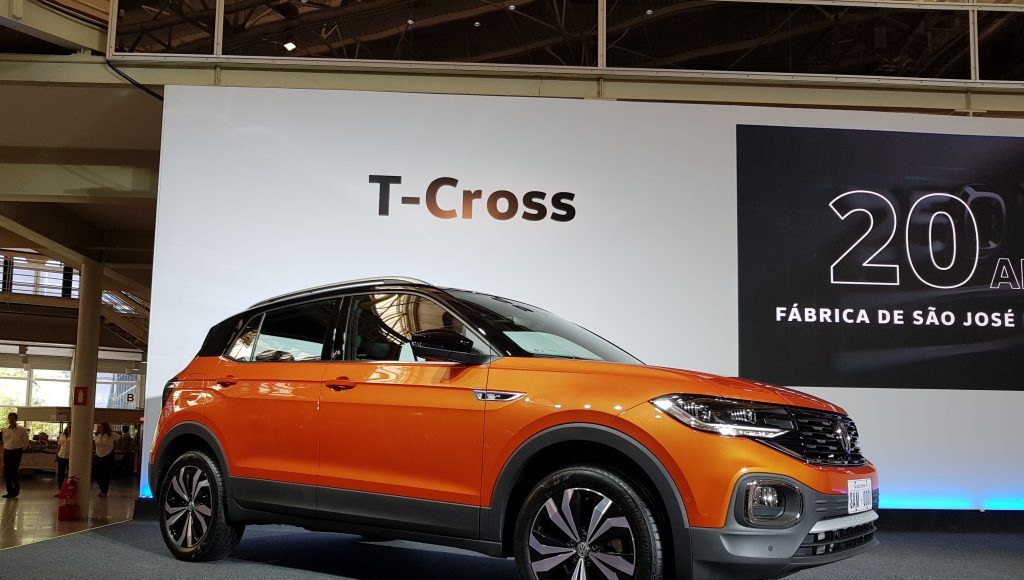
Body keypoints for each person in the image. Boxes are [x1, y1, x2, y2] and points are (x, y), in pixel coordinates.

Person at [2, 412, 29, 499]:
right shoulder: (5, 429)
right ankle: (9, 492)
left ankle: (16, 491)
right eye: (9, 419)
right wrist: (6, 447)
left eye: (12, 419)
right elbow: (4, 440)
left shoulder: (22, 429)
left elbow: (26, 441)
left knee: (13, 472)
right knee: (7, 472)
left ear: (16, 419)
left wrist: (21, 450)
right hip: (7, 451)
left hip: (17, 451)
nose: (10, 420)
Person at [93, 422, 121, 497]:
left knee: (105, 474)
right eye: (99, 427)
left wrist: (115, 447)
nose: (99, 428)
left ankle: (104, 491)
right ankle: (102, 488)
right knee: (96, 474)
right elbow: (96, 445)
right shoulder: (97, 435)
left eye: (101, 427)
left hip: (107, 456)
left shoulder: (111, 435)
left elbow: (120, 438)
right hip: (98, 455)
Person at [55, 424, 71, 497]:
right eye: (68, 426)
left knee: (69, 474)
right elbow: (59, 445)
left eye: (71, 427)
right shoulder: (62, 434)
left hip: (70, 457)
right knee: (60, 474)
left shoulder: (75, 435)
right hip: (61, 456)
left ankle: (68, 490)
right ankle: (61, 491)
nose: (69, 428)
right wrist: (56, 455)